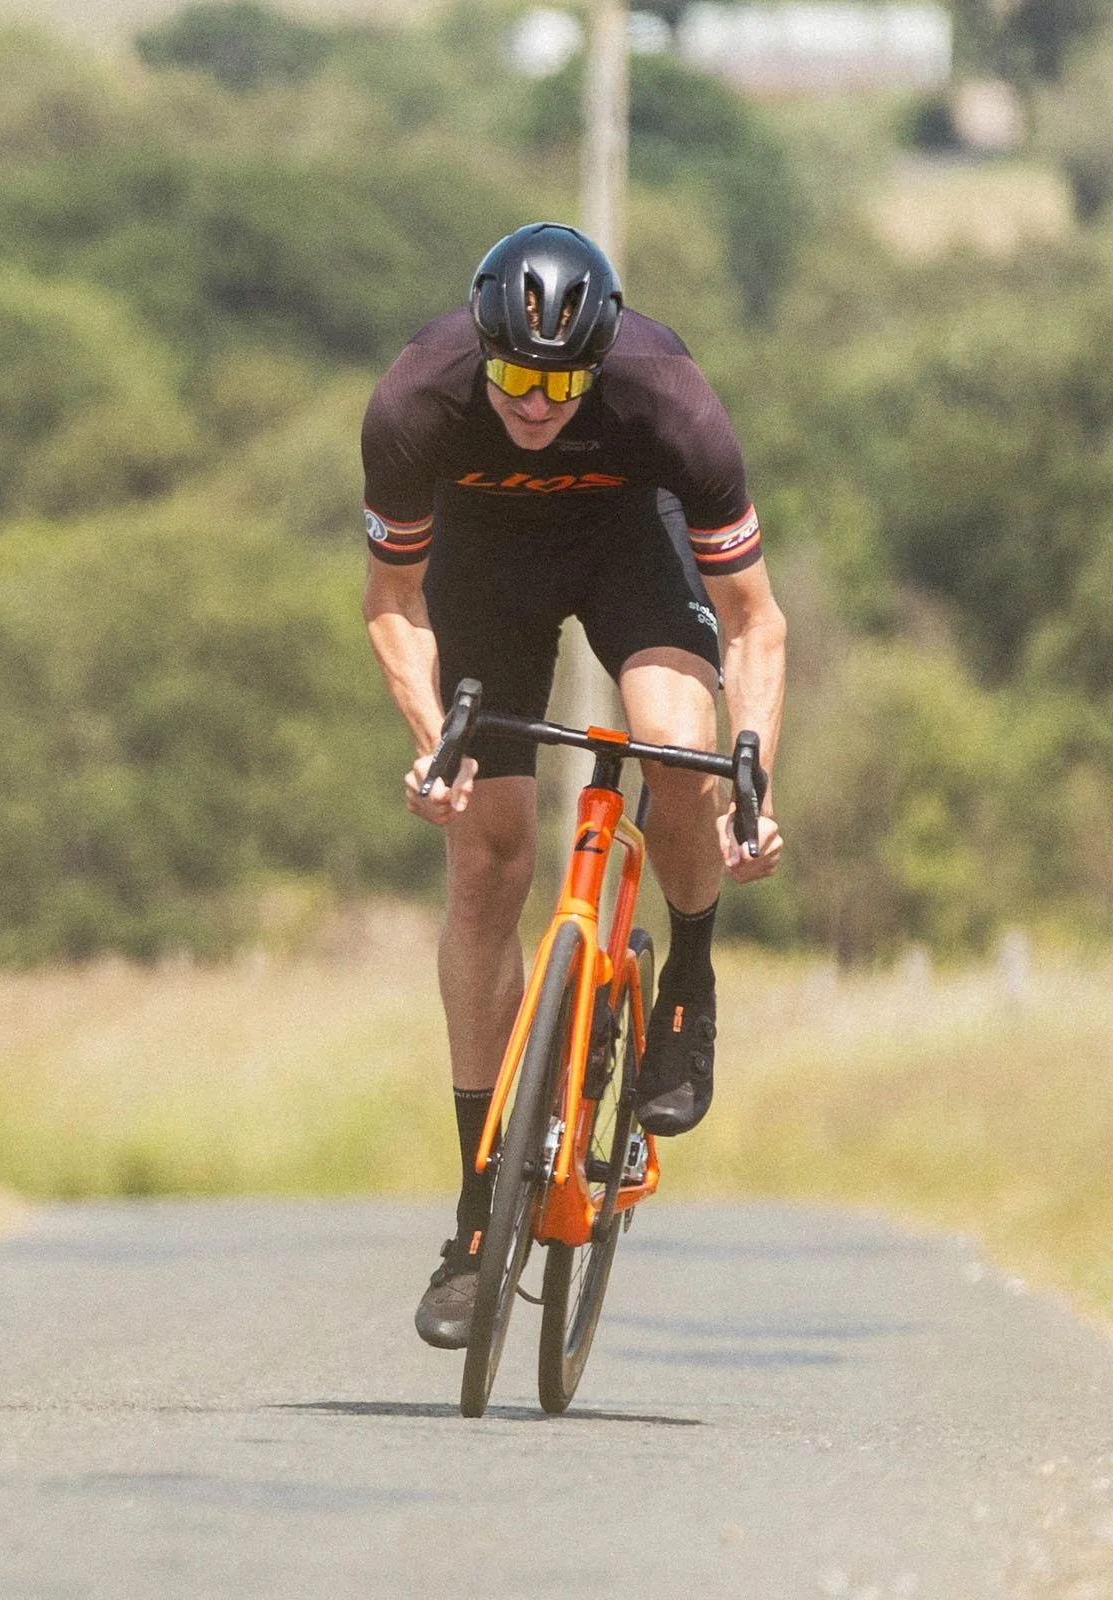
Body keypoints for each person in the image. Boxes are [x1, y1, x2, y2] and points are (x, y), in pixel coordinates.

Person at [360, 223, 788, 1351]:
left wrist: (752, 770)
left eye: (560, 384)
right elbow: (392, 602)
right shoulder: (417, 398)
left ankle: (687, 984)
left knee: (674, 748)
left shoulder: (668, 396)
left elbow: (756, 620)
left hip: (627, 546)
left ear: (599, 362)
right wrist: (434, 744)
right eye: (514, 377)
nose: (535, 404)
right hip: (485, 561)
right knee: (487, 857)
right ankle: (476, 1217)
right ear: (481, 351)